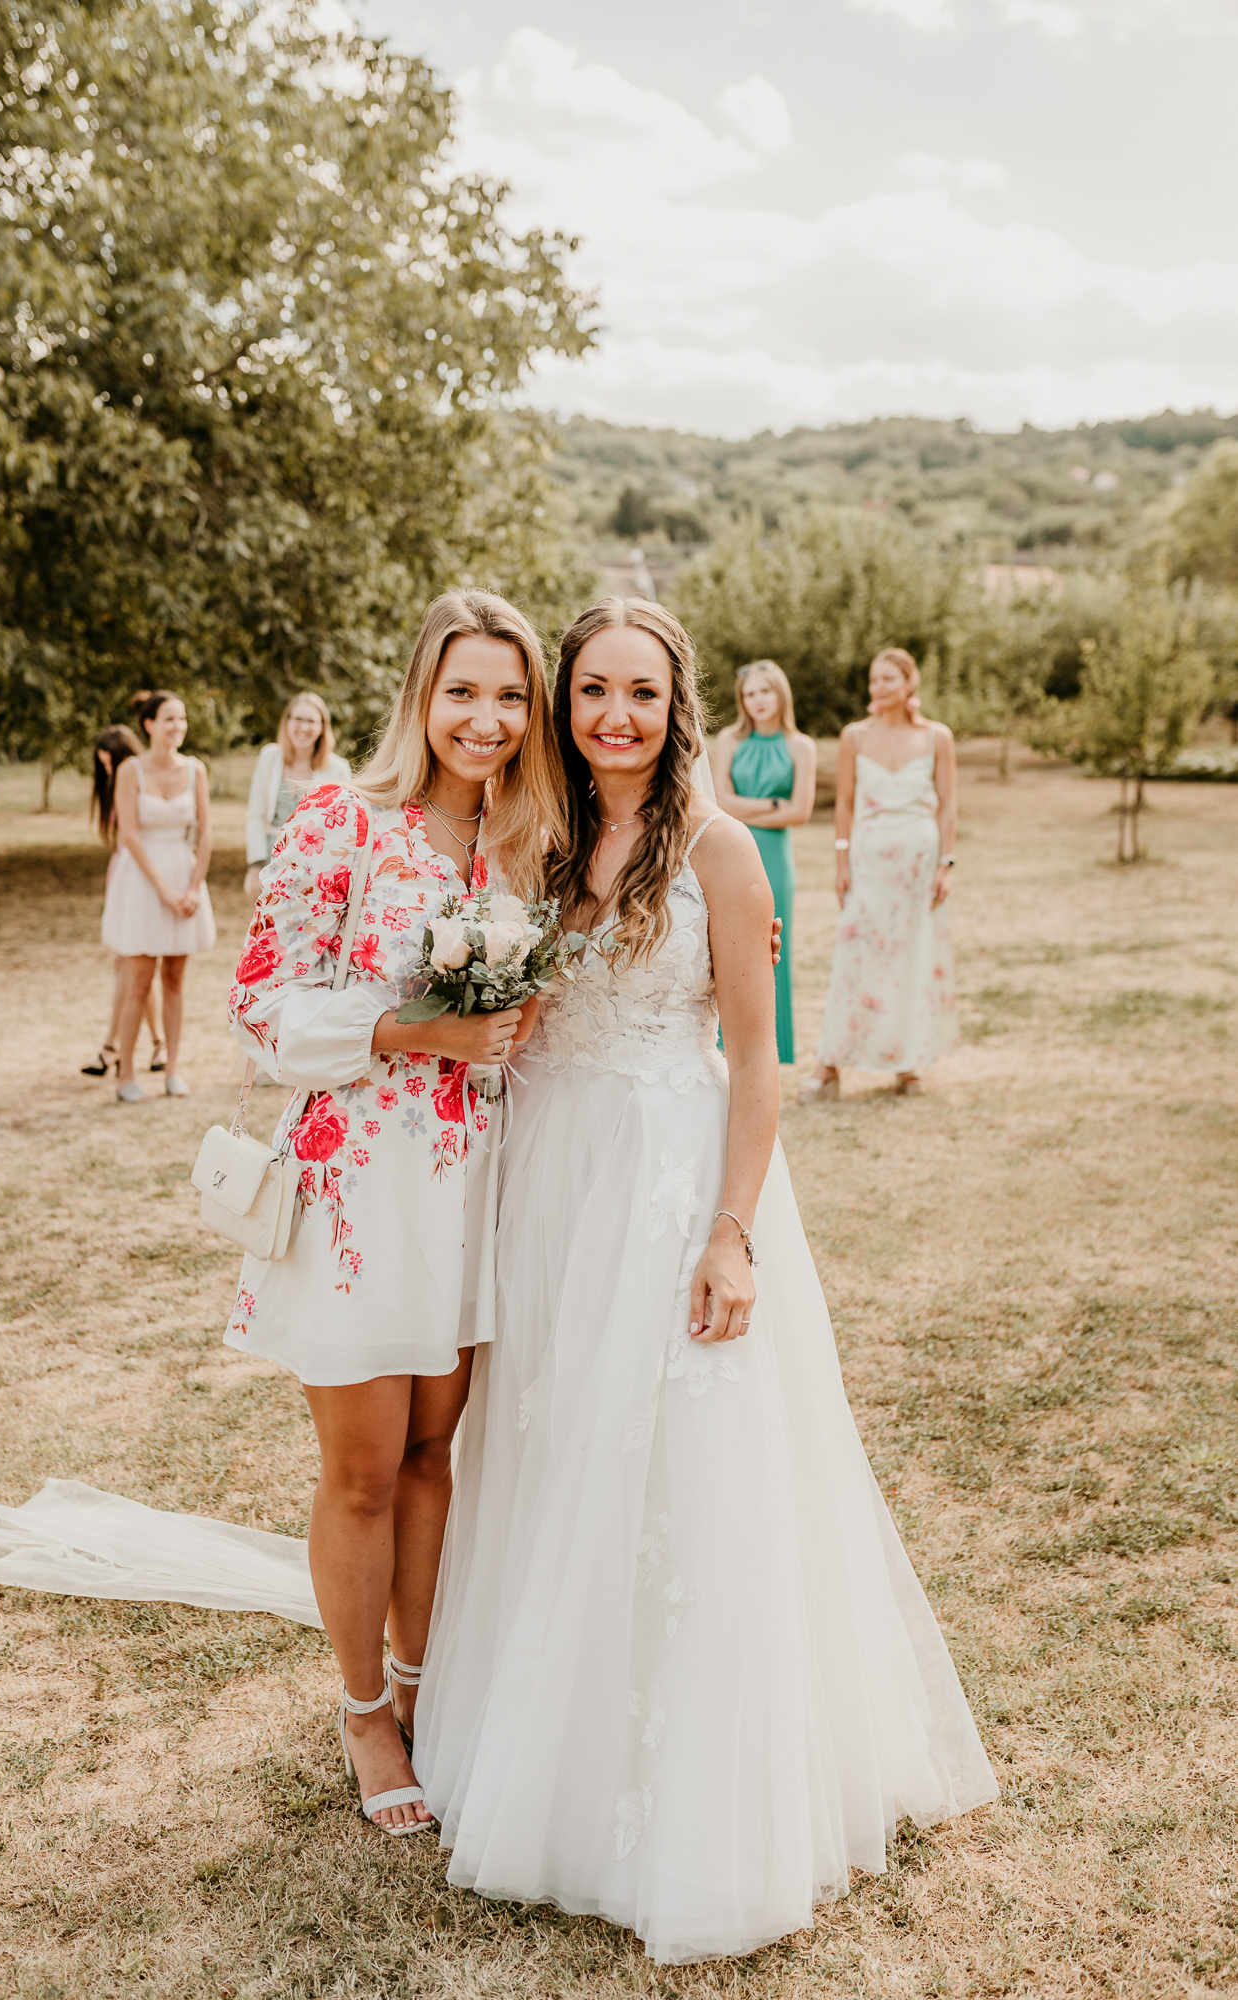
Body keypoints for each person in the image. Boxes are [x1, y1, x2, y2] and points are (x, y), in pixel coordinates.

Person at [413, 598, 997, 1964]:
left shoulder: (720, 849)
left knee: (681, 1449)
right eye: (590, 690)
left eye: (640, 691)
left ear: (678, 704)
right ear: (562, 702)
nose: (613, 715)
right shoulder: (532, 836)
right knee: (552, 1439)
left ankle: (685, 1775)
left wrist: (730, 1232)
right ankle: (533, 1723)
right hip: (549, 1176)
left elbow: (754, 1058)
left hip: (672, 1180)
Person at [224, 590, 566, 1834]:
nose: (486, 718)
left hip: (478, 1186)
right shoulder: (343, 820)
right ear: (421, 693)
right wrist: (414, 1030)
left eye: (511, 695)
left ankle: (425, 1685)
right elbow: (258, 1005)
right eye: (462, 690)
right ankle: (364, 1710)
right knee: (365, 1469)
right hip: (361, 1189)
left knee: (436, 1454)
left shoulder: (530, 843)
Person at [798, 648, 958, 1102]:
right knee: (855, 955)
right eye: (874, 679)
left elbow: (948, 804)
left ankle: (909, 1063)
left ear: (910, 684)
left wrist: (946, 863)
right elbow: (844, 802)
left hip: (918, 867)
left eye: (889, 678)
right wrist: (841, 859)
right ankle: (829, 1065)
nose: (879, 686)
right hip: (868, 864)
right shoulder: (855, 736)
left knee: (913, 957)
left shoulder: (937, 738)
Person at [101, 690, 216, 1102]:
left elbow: (205, 832)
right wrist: (164, 891)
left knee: (175, 979)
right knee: (138, 980)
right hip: (143, 880)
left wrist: (193, 887)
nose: (178, 726)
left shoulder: (195, 770)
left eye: (182, 719)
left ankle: (172, 1070)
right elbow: (129, 836)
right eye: (169, 719)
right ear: (149, 725)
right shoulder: (130, 770)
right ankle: (126, 1075)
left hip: (184, 874)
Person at [710, 660, 816, 1064]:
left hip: (775, 856)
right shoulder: (729, 741)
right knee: (723, 945)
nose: (758, 700)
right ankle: (719, 1047)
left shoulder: (800, 746)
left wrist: (744, 808)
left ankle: (767, 1052)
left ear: (780, 694)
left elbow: (800, 812)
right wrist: (773, 804)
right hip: (727, 852)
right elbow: (719, 802)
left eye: (765, 691)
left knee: (771, 948)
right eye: (750, 694)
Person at [81, 725, 165, 1080]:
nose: (110, 771)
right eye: (104, 766)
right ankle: (153, 1042)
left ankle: (114, 1045)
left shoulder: (141, 779)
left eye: (112, 763)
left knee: (134, 965)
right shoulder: (117, 783)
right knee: (130, 964)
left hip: (143, 873)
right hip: (123, 876)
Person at [244, 693, 352, 900]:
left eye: (311, 721)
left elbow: (342, 827)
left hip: (314, 864)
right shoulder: (269, 756)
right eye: (298, 719)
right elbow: (255, 814)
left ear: (322, 727)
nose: (303, 727)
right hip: (271, 859)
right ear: (287, 722)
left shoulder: (338, 769)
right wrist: (255, 864)